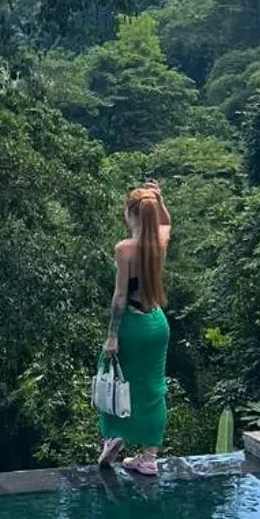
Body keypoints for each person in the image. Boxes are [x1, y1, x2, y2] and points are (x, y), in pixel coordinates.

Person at [97, 182, 171, 477]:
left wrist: (113, 335)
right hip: (156, 323)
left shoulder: (125, 250)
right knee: (153, 388)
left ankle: (113, 435)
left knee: (111, 377)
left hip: (132, 324)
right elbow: (166, 222)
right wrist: (160, 199)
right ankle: (149, 457)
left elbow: (119, 296)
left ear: (130, 213)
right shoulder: (161, 242)